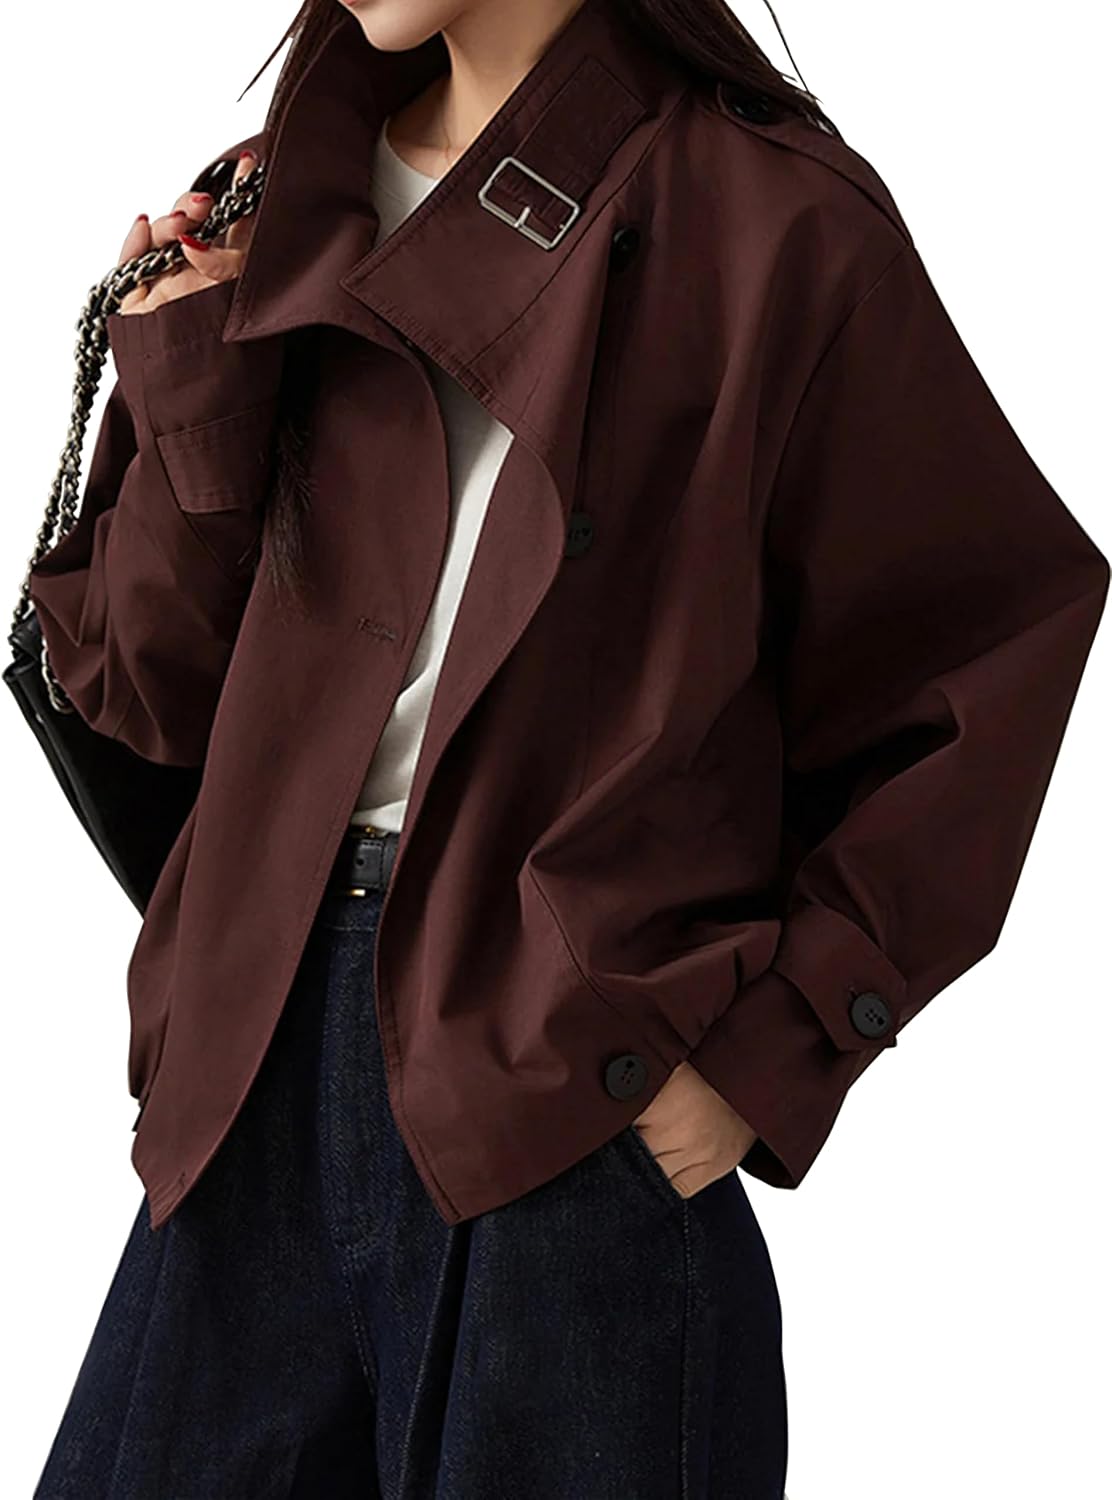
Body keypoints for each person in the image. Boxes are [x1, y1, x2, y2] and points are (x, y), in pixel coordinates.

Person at [27, 0, 1108, 1495]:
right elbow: (146, 700)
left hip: (563, 1097)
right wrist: (190, 373)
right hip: (246, 1080)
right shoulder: (274, 200)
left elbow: (987, 643)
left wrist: (778, 1044)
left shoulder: (771, 224)